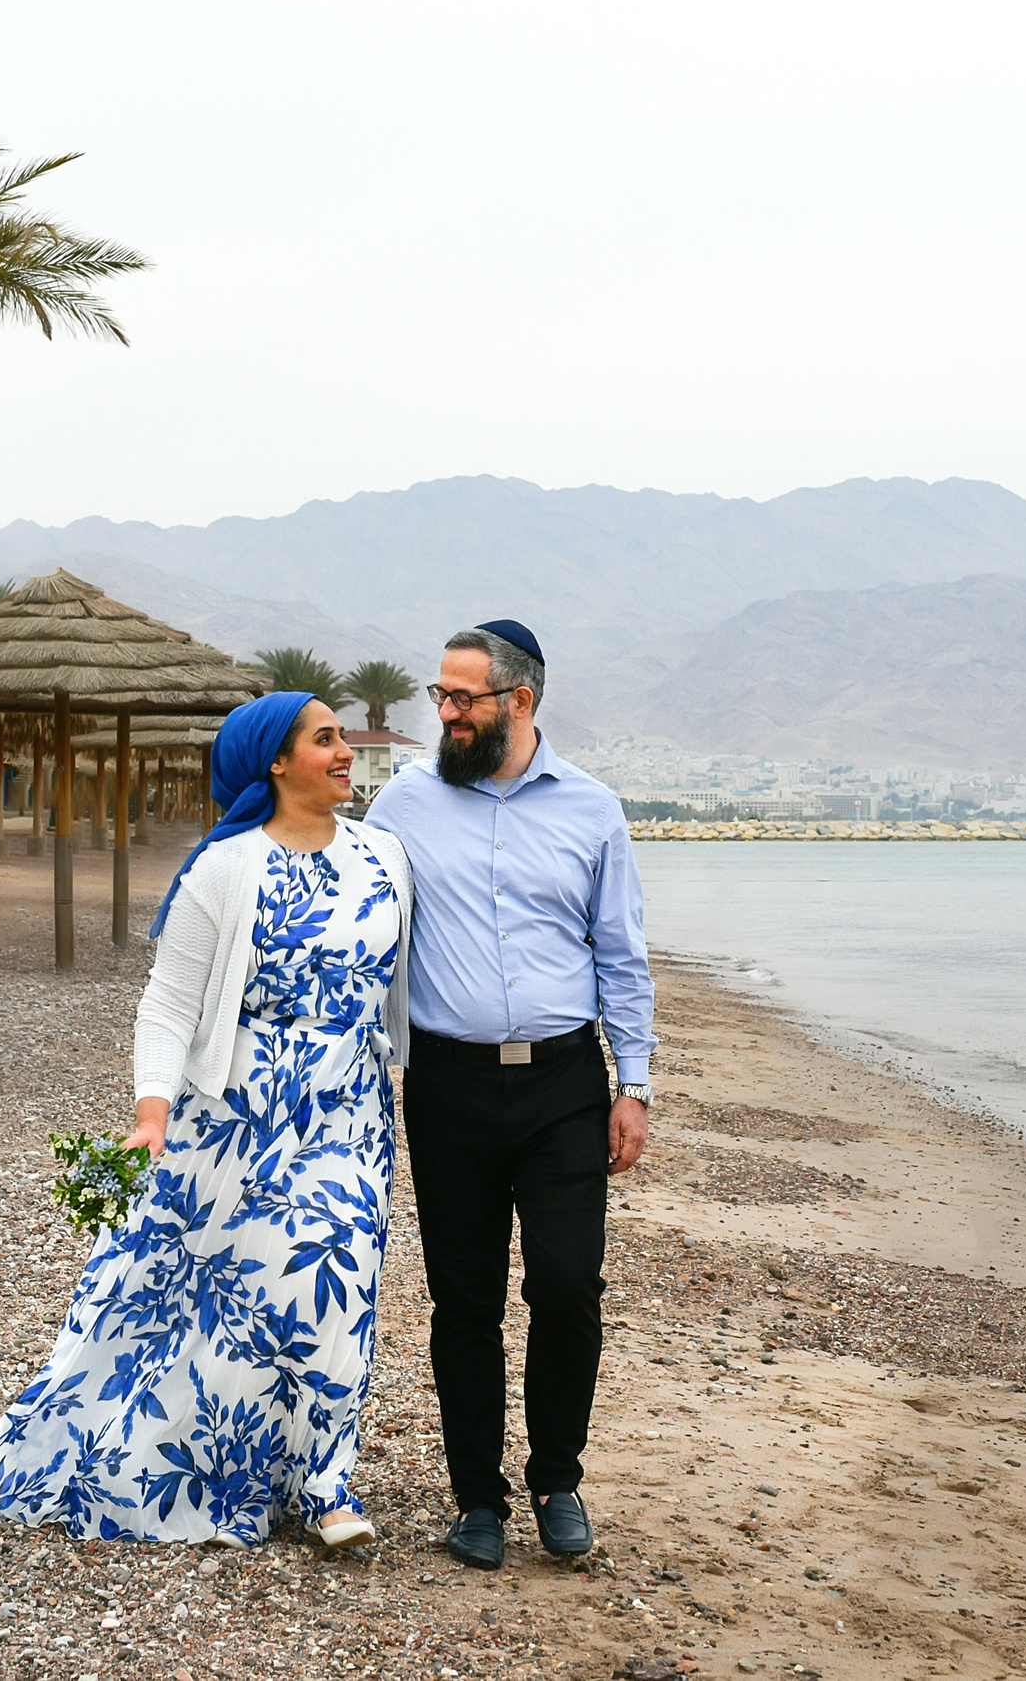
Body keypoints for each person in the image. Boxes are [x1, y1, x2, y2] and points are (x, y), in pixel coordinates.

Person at [0, 692, 414, 1548]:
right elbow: (166, 1006)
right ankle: (225, 1463)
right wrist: (151, 1112)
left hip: (349, 1109)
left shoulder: (385, 857)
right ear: (276, 762)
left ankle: (325, 1485)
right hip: (237, 1114)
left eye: (343, 736)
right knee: (235, 1300)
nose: (347, 751)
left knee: (338, 1281)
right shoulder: (224, 868)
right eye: (327, 739)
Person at [364, 620, 654, 1569]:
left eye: (461, 700)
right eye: (438, 697)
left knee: (568, 1285)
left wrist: (634, 1084)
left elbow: (621, 953)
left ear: (518, 702)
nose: (443, 714)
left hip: (567, 1083)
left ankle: (557, 1479)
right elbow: (343, 906)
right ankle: (476, 1499)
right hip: (447, 1086)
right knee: (464, 1298)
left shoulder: (593, 810)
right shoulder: (403, 804)